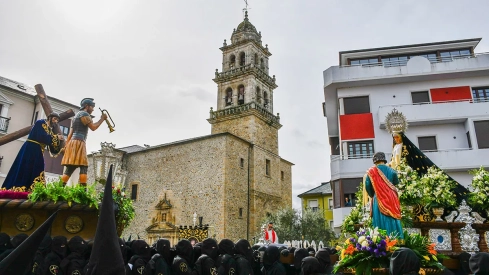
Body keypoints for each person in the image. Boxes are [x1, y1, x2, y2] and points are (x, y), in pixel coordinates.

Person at [2, 113, 63, 190]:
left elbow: (51, 146)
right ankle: (21, 187)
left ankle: (34, 189)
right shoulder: (40, 123)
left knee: (37, 168)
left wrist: (58, 143)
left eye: (57, 120)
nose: (56, 121)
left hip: (38, 152)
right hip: (30, 149)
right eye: (54, 119)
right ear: (50, 118)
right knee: (26, 167)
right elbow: (41, 137)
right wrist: (56, 137)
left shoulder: (50, 131)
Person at [61, 98, 107, 186]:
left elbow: (71, 133)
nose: (93, 109)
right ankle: (82, 190)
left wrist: (67, 146)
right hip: (79, 142)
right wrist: (102, 119)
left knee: (70, 168)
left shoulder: (76, 116)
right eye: (92, 107)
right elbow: (93, 127)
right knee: (84, 166)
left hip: (73, 142)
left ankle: (60, 187)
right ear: (86, 106)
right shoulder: (84, 114)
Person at [364, 152, 404, 239]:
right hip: (392, 198)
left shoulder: (371, 172)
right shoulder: (392, 171)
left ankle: (382, 241)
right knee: (392, 217)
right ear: (384, 160)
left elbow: (367, 186)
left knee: (380, 219)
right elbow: (396, 182)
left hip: (378, 198)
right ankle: (397, 239)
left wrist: (374, 194)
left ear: (375, 161)